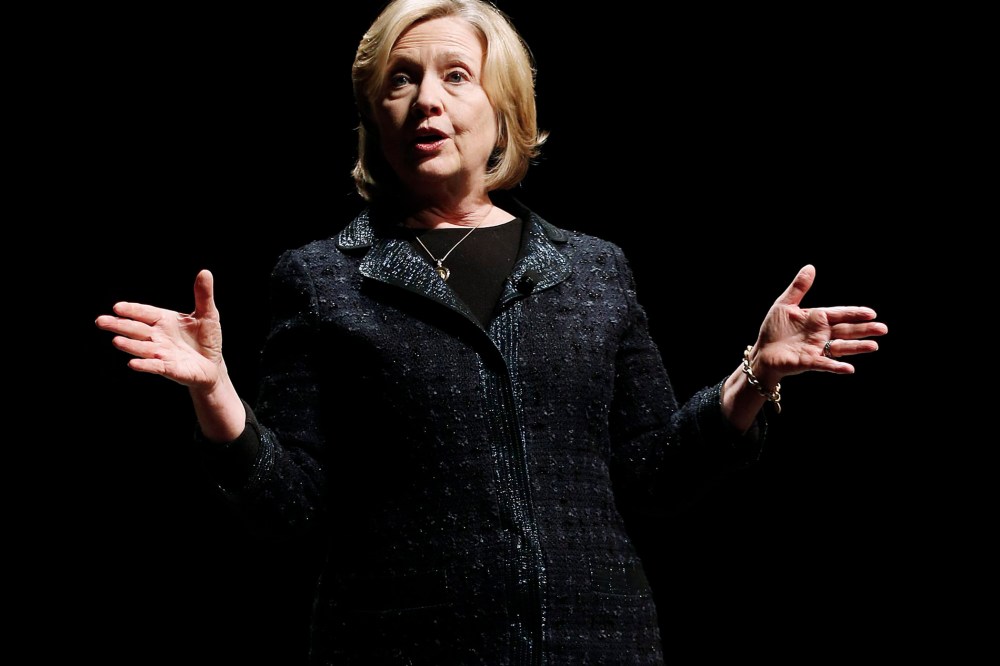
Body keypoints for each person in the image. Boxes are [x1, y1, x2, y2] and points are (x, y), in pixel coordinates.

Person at [95, 0, 888, 663]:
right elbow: (289, 506)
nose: (425, 100)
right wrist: (218, 396)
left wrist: (752, 377)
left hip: (596, 642)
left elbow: (654, 474)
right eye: (399, 81)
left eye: (454, 76)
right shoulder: (321, 276)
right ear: (376, 115)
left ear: (503, 110)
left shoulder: (594, 268)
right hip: (398, 646)